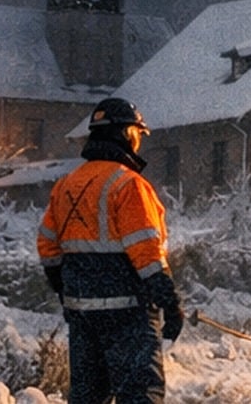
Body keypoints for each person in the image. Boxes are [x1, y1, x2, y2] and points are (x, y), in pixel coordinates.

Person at [38, 97, 184, 404]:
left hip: (82, 317)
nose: (139, 141)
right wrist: (170, 303)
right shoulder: (128, 185)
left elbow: (48, 248)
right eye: (137, 133)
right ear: (126, 133)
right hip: (128, 316)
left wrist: (69, 291)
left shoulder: (65, 185)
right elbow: (147, 255)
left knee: (88, 398)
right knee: (140, 397)